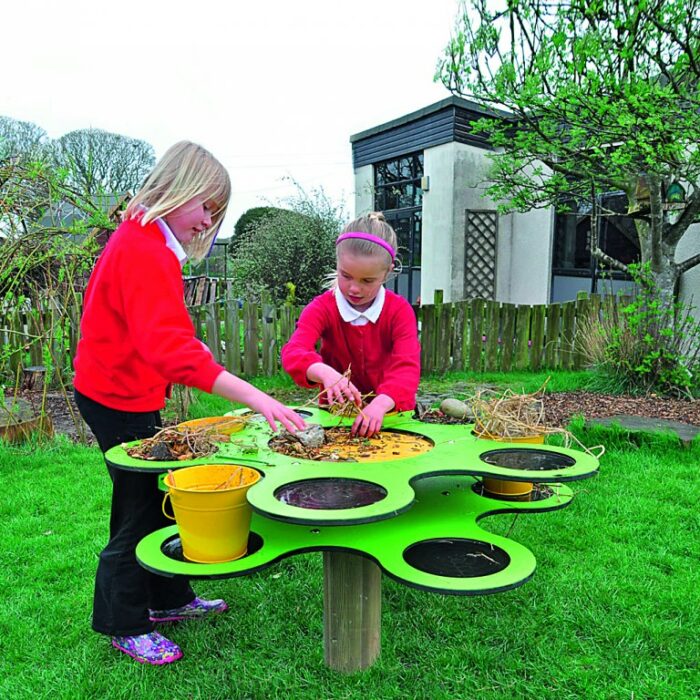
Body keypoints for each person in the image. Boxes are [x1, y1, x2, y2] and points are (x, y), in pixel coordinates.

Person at [73, 141, 306, 665]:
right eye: (206, 205)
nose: (208, 220)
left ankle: (168, 600)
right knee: (137, 511)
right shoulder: (143, 248)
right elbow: (169, 350)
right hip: (114, 399)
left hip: (124, 393)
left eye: (215, 212)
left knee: (159, 500)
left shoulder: (144, 241)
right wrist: (257, 398)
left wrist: (191, 350)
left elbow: (162, 333)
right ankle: (124, 622)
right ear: (179, 188)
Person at [281, 212, 421, 437]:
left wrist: (380, 404)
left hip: (391, 416)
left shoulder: (399, 311)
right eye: (346, 276)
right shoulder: (322, 308)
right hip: (336, 417)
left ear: (387, 271)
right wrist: (324, 372)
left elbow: (406, 366)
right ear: (337, 263)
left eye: (367, 280)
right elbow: (294, 351)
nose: (354, 288)